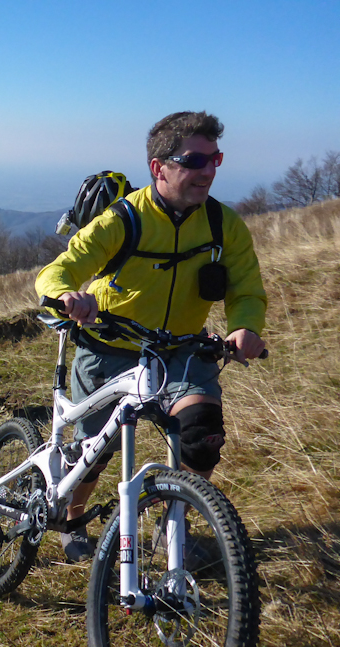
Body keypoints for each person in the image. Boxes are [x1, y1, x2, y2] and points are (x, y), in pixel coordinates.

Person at [36, 111, 267, 562]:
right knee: (94, 453)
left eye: (215, 159)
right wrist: (66, 295)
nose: (208, 170)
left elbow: (246, 289)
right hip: (109, 347)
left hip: (181, 350)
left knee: (202, 437)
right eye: (195, 160)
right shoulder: (124, 219)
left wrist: (245, 327)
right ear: (158, 168)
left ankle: (172, 525)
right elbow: (61, 269)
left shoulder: (223, 224)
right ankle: (72, 520)